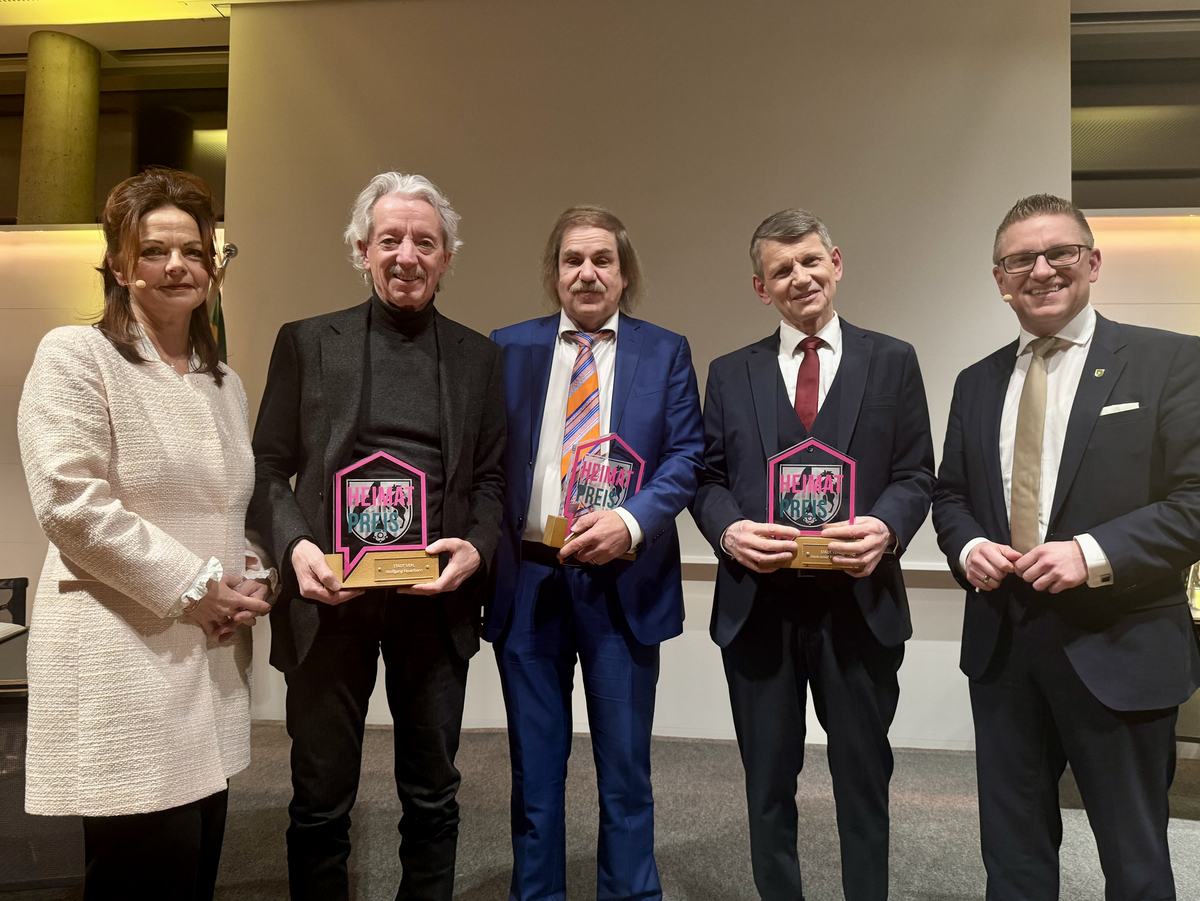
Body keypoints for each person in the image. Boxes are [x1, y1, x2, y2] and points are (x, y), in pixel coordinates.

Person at [932, 193, 1200, 900]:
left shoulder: (1171, 360)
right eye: (1021, 259)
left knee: (1134, 859)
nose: (1041, 270)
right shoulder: (976, 381)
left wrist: (1092, 552)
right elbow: (950, 494)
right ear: (1000, 278)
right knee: (1013, 854)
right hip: (1004, 649)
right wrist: (967, 547)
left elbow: (1195, 499)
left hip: (1121, 644)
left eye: (1060, 253)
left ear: (1093, 262)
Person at [17, 167, 274, 900]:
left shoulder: (223, 382)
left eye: (192, 251)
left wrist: (251, 573)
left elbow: (225, 506)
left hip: (208, 659)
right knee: (140, 875)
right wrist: (196, 587)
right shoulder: (75, 355)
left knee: (192, 871)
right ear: (118, 264)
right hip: (123, 656)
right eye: (154, 251)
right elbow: (70, 503)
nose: (176, 266)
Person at [247, 172, 505, 901]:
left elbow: (492, 480)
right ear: (362, 250)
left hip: (434, 603)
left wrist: (477, 548)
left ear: (446, 257)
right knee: (320, 799)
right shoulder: (306, 342)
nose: (406, 255)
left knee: (433, 796)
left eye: (425, 242)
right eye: (390, 239)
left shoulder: (480, 358)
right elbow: (266, 466)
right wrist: (295, 548)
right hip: (328, 601)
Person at [690, 209, 935, 901]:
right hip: (758, 609)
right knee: (767, 783)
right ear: (761, 287)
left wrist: (885, 527)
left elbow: (917, 474)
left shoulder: (893, 360)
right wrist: (729, 532)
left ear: (836, 262)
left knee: (864, 780)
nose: (799, 277)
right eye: (780, 270)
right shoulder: (729, 372)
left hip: (859, 608)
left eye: (809, 261)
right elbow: (706, 479)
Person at [485, 206, 704, 901]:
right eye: (572, 259)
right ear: (554, 274)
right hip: (530, 578)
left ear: (624, 273)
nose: (587, 272)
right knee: (534, 772)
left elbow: (686, 457)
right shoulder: (507, 347)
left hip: (623, 581)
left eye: (602, 259)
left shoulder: (664, 351)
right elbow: (486, 460)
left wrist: (629, 522)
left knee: (626, 771)